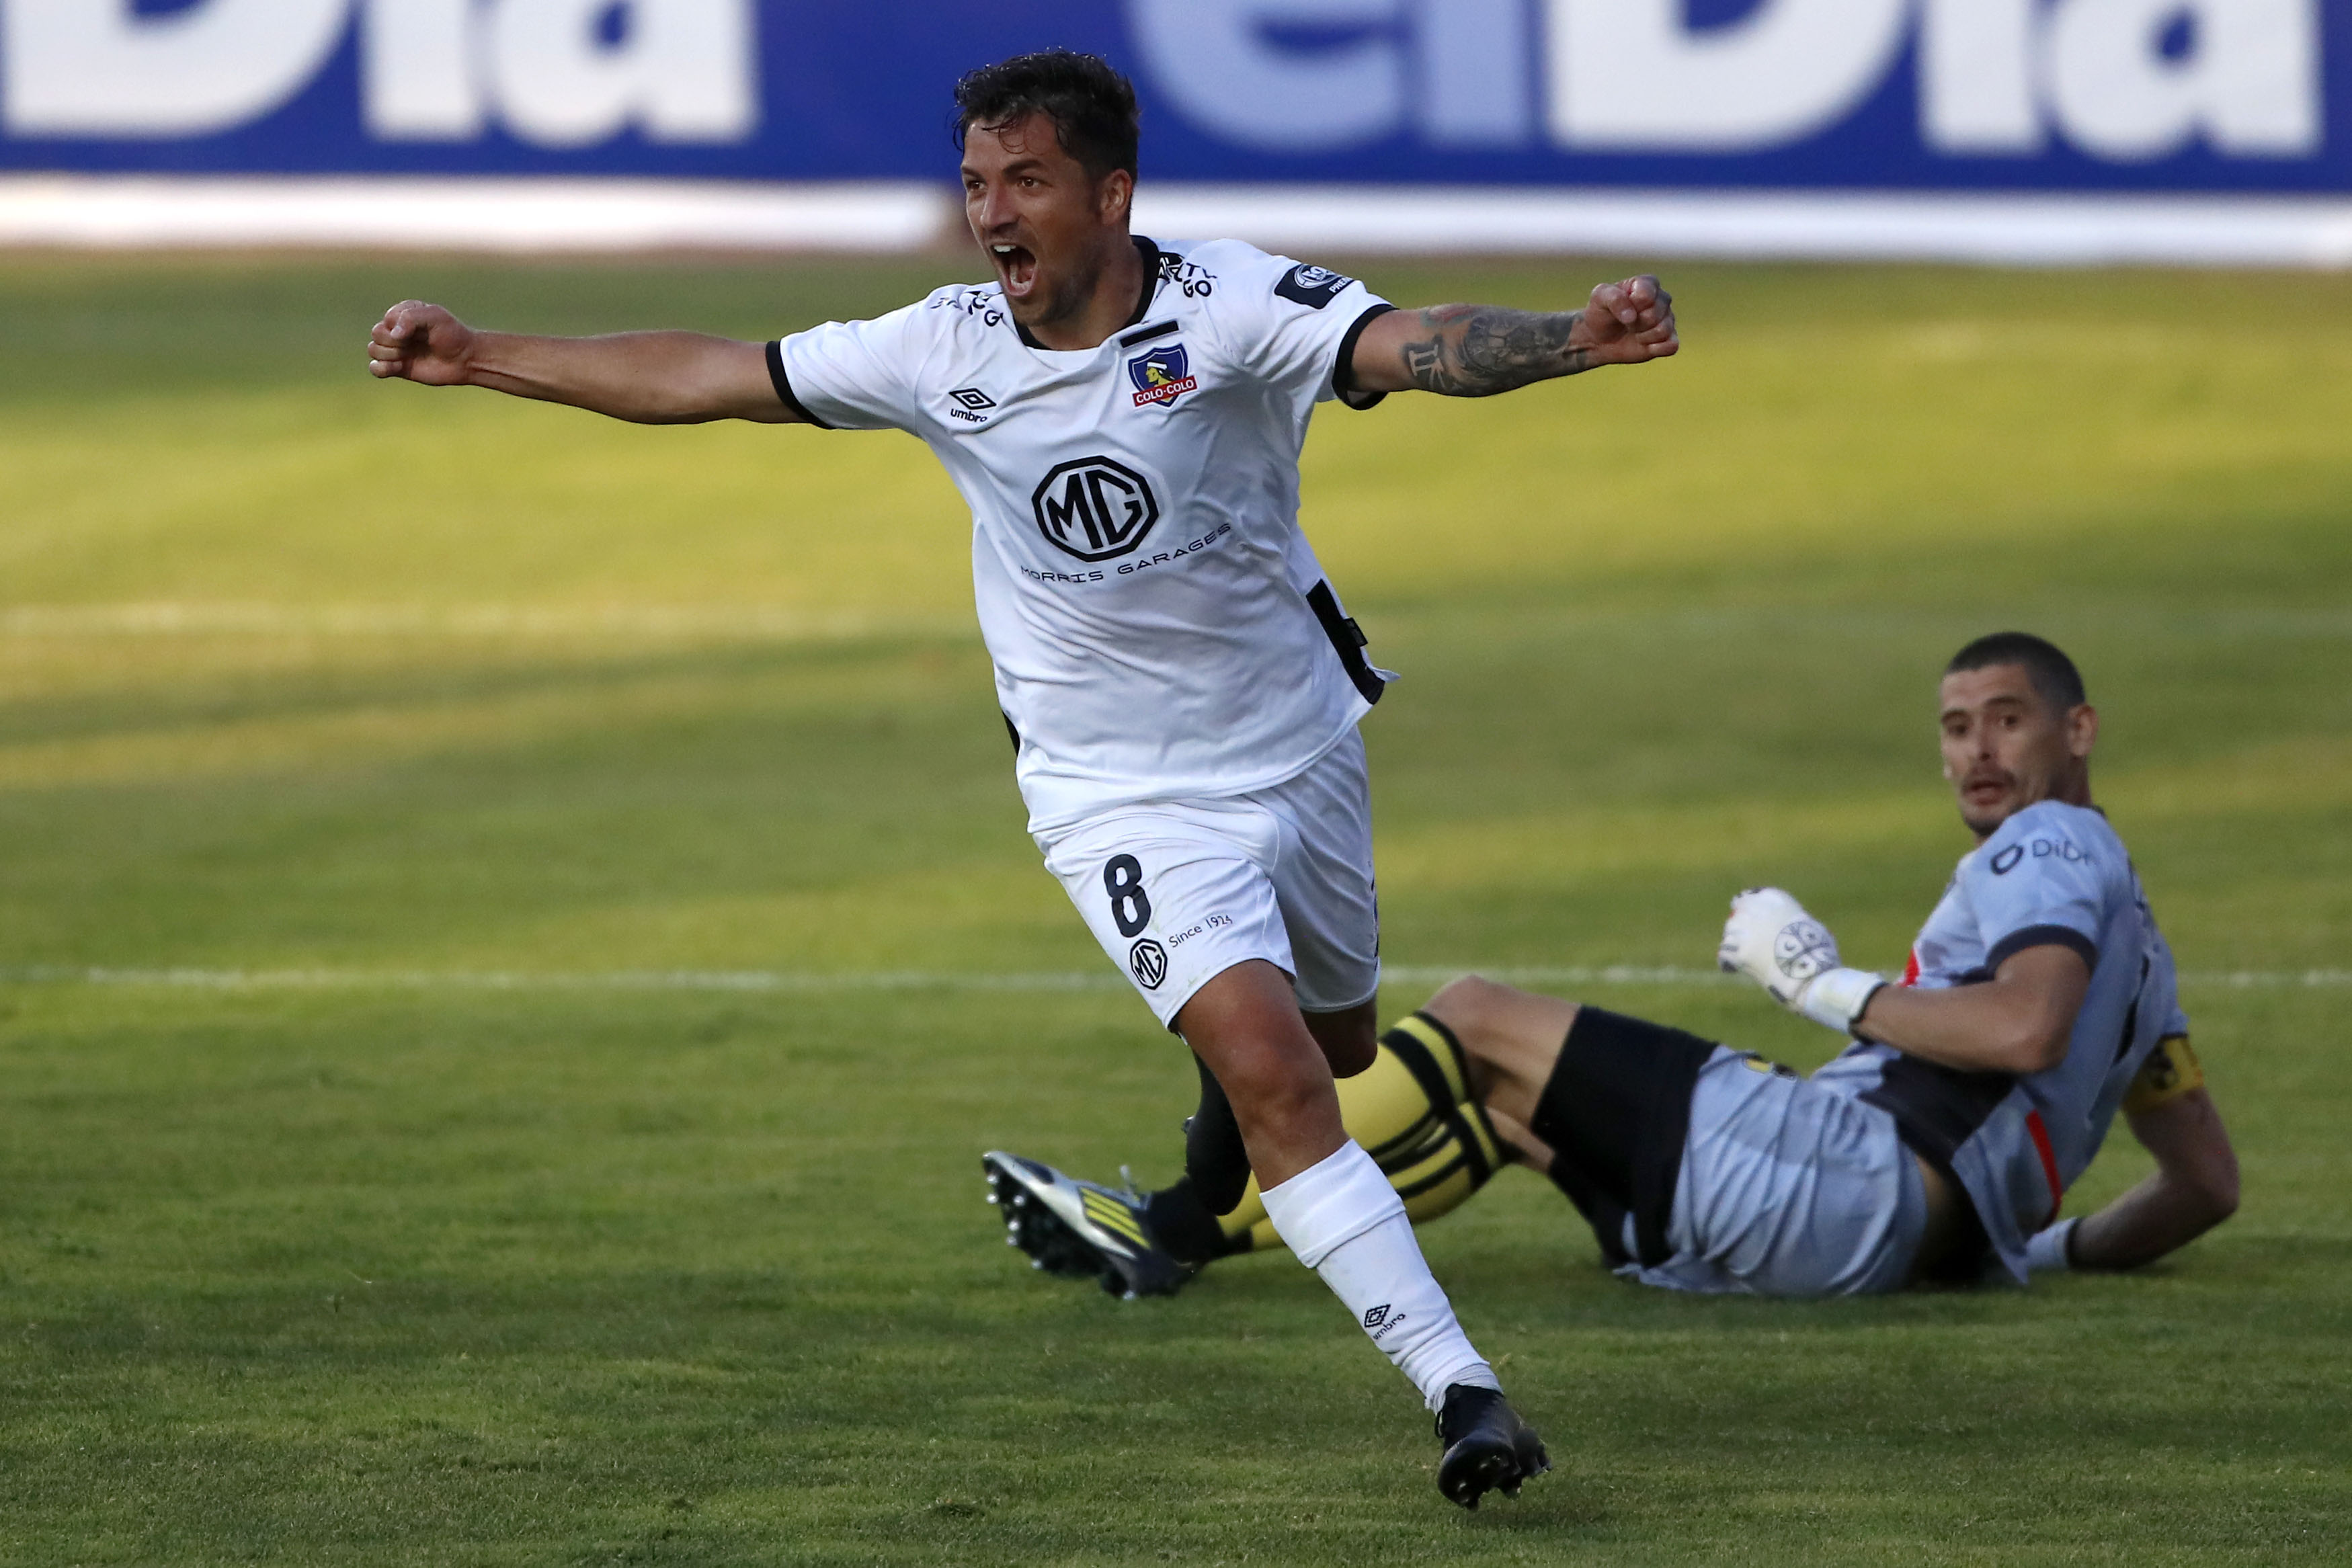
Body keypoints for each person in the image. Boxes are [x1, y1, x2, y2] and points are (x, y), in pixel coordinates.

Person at [366, 49, 1678, 1506]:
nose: (994, 212)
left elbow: (1409, 343)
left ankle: (1191, 1185)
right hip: (1109, 783)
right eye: (979, 183)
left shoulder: (1231, 306)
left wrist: (1571, 338)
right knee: (1277, 1074)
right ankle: (1463, 1394)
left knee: (1341, 1047)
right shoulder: (945, 348)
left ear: (1112, 196)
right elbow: (717, 375)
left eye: (1029, 181)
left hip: (1295, 751)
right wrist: (479, 354)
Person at [994, 632, 2238, 1301]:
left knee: (1474, 1016)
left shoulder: (2055, 841)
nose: (1976, 751)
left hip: (1853, 1182)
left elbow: (2024, 1028)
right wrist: (2036, 1249)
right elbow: (2204, 1183)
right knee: (1501, 1104)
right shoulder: (2150, 959)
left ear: (2078, 731)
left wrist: (1819, 982)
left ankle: (1168, 1219)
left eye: (2007, 719)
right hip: (1902, 1231)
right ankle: (1184, 1245)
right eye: (1957, 726)